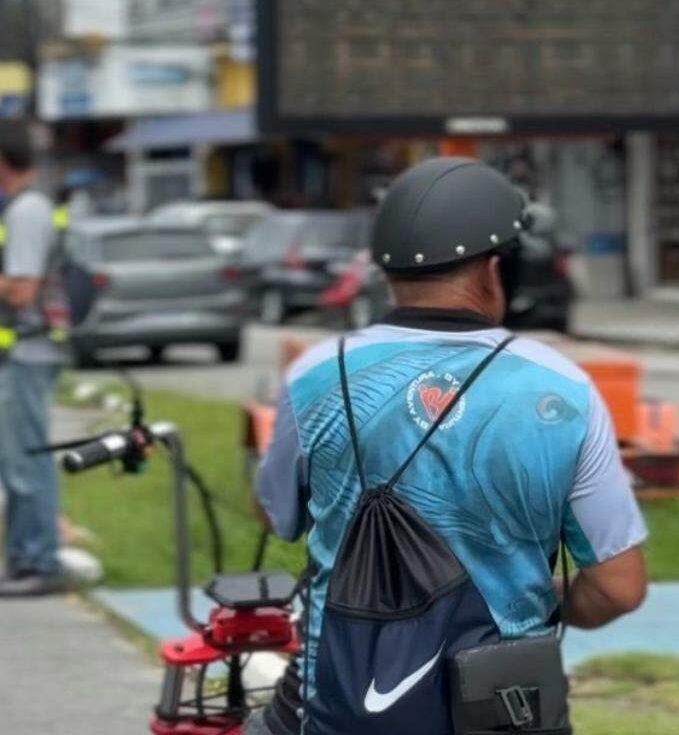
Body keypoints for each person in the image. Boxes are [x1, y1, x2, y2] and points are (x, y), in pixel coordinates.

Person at [247, 157, 648, 734]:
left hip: (336, 709)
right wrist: (546, 597)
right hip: (501, 713)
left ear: (386, 274)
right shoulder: (562, 390)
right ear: (492, 271)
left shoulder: (316, 375)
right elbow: (619, 587)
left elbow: (275, 512)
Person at [0, 120, 69, 598]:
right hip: (25, 350)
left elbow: (22, 291)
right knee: (17, 459)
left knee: (26, 461)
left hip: (30, 350)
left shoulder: (26, 211)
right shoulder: (29, 206)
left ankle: (41, 561)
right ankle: (24, 558)